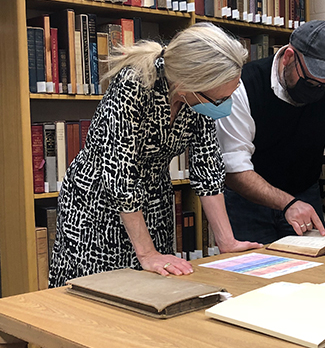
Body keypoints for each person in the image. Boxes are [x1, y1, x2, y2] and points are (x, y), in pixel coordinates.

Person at [49, 23, 262, 288]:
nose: (225, 105)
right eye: (221, 99)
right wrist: (147, 253)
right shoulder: (135, 83)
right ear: (187, 84)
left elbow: (208, 166)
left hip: (154, 201)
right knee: (102, 295)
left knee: (157, 289)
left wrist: (227, 241)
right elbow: (120, 174)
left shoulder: (198, 99)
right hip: (99, 204)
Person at [216, 20, 325, 245]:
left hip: (304, 193)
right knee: (253, 274)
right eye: (311, 81)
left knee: (314, 270)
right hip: (247, 201)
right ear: (289, 57)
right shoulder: (243, 86)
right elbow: (233, 166)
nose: (317, 91)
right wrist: (287, 203)